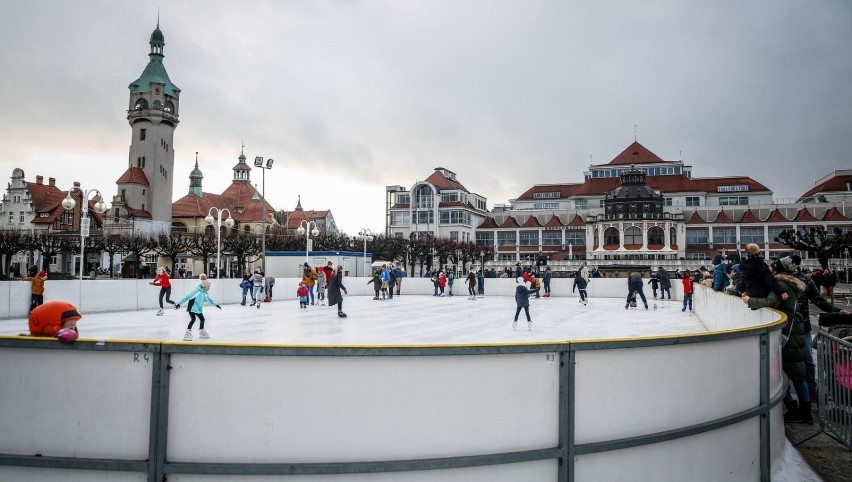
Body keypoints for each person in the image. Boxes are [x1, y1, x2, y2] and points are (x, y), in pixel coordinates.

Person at [743, 259, 809, 423]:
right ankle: (805, 413)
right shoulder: (789, 283)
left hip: (788, 333)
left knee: (779, 373)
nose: (768, 270)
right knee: (798, 373)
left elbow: (771, 302)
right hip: (795, 330)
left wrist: (749, 301)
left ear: (777, 270)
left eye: (771, 268)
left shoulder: (780, 284)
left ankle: (796, 411)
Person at [787, 255, 848, 402]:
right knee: (797, 360)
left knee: (807, 358)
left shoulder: (805, 280)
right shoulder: (779, 279)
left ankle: (811, 391)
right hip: (789, 326)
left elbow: (818, 300)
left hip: (802, 325)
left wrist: (836, 310)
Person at [175, 277, 221, 341]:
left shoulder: (205, 292)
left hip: (198, 309)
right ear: (204, 286)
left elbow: (209, 300)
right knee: (193, 319)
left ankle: (201, 332)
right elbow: (187, 297)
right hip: (192, 307)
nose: (209, 288)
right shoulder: (196, 291)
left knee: (202, 319)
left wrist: (216, 305)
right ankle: (187, 333)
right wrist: (179, 304)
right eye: (208, 286)